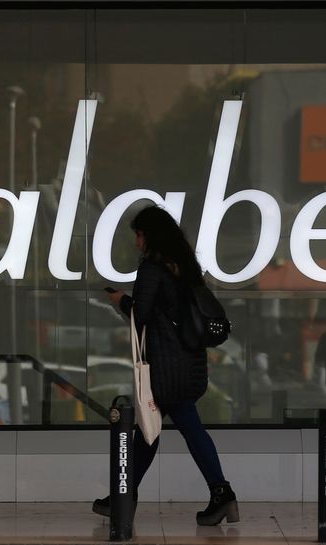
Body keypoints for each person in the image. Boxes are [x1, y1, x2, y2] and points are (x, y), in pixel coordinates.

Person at [93, 205, 239, 526]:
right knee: (150, 432)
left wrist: (120, 300)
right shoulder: (185, 266)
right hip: (189, 363)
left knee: (167, 429)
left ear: (150, 236)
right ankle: (126, 495)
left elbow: (140, 316)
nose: (136, 243)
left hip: (167, 367)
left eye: (139, 235)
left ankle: (220, 492)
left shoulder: (151, 270)